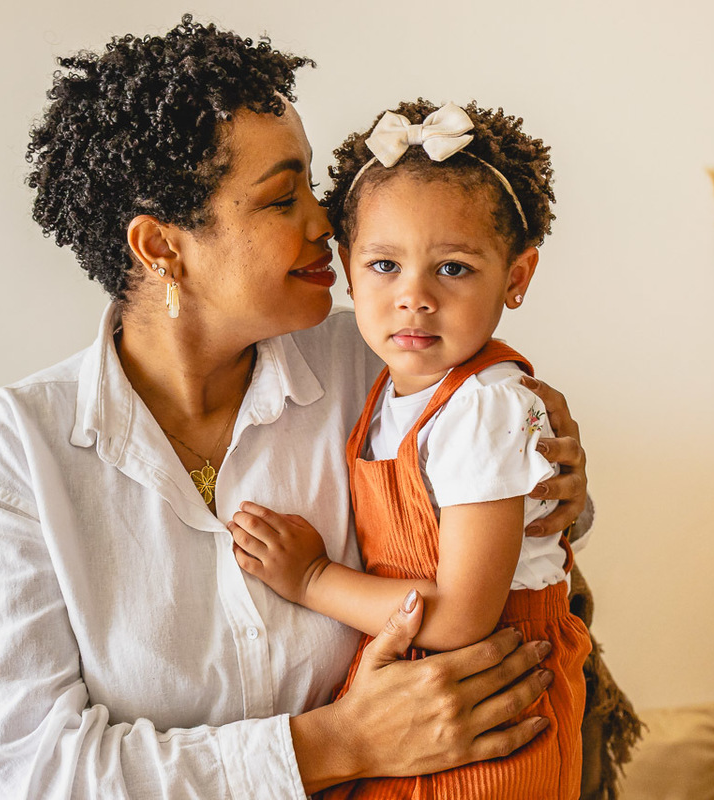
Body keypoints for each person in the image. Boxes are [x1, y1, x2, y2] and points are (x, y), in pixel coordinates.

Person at [0, 17, 591, 798]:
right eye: (283, 198)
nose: (327, 222)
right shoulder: (17, 456)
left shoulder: (382, 361)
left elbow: (512, 528)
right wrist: (338, 743)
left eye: (312, 185)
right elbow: (38, 773)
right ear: (161, 248)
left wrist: (561, 484)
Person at [229, 100, 591, 799]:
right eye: (385, 264)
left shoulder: (484, 406)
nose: (414, 297)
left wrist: (312, 579)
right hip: (414, 692)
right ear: (347, 267)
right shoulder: (386, 386)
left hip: (498, 703)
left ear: (517, 277)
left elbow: (460, 617)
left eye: (452, 268)